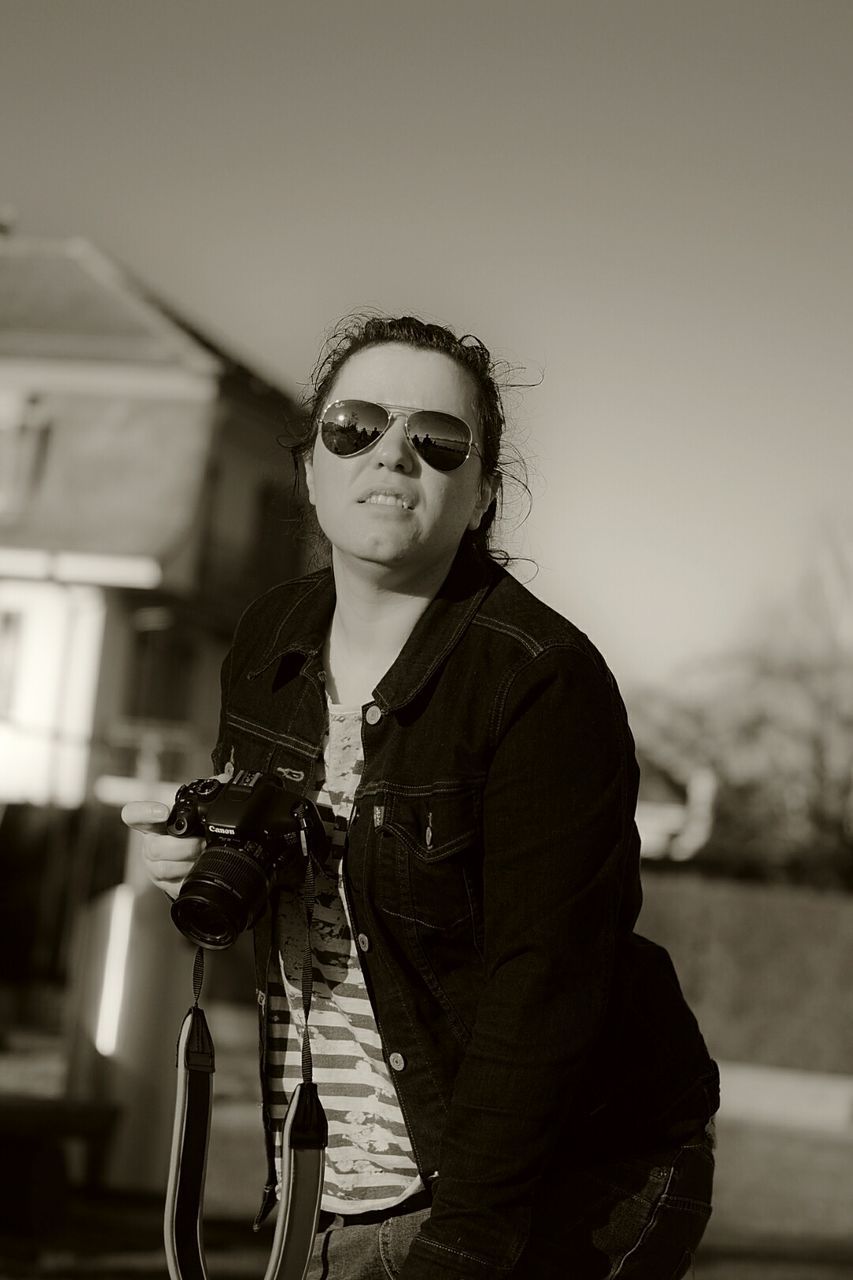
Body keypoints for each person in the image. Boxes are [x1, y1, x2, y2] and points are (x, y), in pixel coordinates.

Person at [123, 314, 719, 1280]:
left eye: (438, 442)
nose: (391, 454)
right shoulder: (270, 637)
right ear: (310, 462)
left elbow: (547, 983)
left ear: (481, 493)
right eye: (353, 425)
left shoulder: (540, 682)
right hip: (330, 1172)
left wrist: (467, 1244)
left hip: (547, 1181)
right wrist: (196, 854)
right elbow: (297, 867)